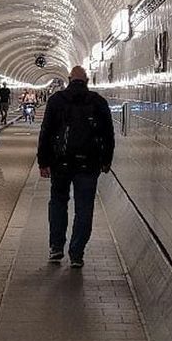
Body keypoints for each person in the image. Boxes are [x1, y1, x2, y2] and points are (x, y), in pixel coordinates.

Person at [36, 65, 115, 269]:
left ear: (70, 79)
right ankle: (77, 253)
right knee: (84, 208)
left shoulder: (56, 100)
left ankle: (56, 247)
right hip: (89, 164)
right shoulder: (98, 102)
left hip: (60, 162)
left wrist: (43, 162)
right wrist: (106, 159)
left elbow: (46, 132)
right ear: (87, 81)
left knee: (58, 203)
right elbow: (108, 134)